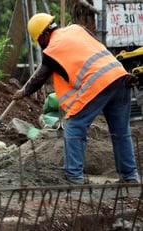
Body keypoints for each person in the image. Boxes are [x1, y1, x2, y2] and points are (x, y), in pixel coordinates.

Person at [12, 13, 140, 184]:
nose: (41, 46)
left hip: (99, 82)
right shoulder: (77, 29)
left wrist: (23, 92)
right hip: (119, 75)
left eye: (40, 42)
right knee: (121, 131)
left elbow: (39, 78)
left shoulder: (52, 50)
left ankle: (73, 177)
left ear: (43, 36)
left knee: (73, 125)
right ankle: (130, 176)